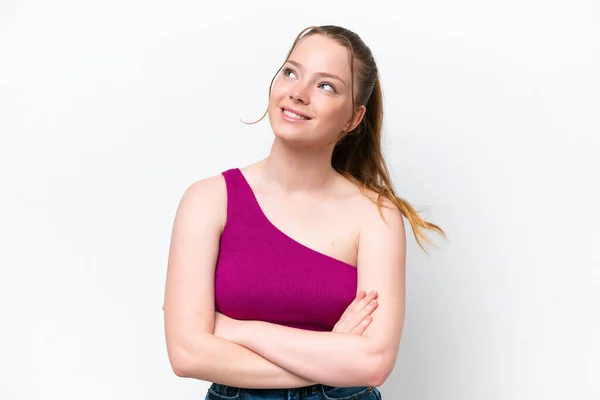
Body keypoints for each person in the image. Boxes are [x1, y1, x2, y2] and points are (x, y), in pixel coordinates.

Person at [162, 25, 446, 400]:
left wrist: (236, 330)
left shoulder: (376, 215)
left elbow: (372, 363)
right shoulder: (207, 200)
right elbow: (186, 354)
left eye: (325, 86)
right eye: (291, 72)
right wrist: (330, 352)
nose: (298, 92)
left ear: (353, 119)